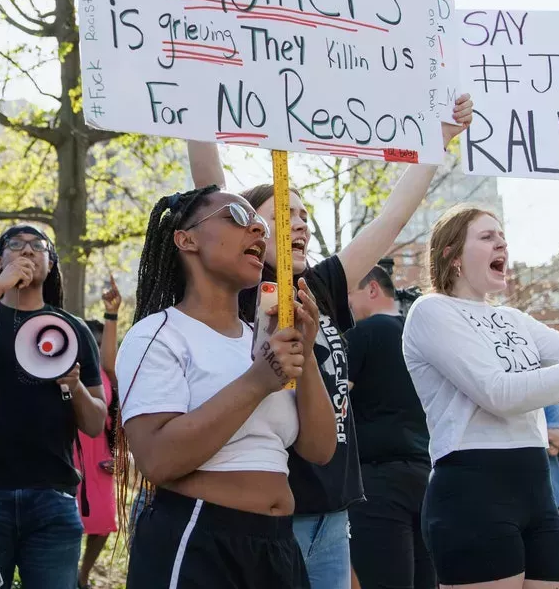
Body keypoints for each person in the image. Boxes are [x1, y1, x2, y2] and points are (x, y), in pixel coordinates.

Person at [187, 95, 474, 589]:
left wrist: (439, 139)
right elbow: (209, 187)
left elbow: (391, 221)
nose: (298, 221)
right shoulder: (237, 290)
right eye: (283, 213)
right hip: (274, 514)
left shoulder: (318, 287)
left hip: (334, 514)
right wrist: (194, 99)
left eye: (303, 213)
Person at [403, 205, 559, 589]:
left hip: (535, 488)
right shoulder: (431, 311)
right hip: (474, 489)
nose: (502, 243)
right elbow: (498, 393)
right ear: (451, 254)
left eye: (502, 236)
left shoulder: (513, 318)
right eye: (486, 237)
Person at [115, 186, 337, 587]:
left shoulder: (263, 340)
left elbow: (320, 450)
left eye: (260, 224)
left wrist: (304, 351)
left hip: (279, 547)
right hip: (198, 538)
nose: (257, 228)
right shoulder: (157, 335)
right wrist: (257, 381)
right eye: (236, 216)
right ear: (187, 240)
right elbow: (157, 460)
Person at [0, 225, 109, 589]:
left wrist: (74, 385)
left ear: (51, 264)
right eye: (15, 245)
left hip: (52, 495)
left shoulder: (72, 329)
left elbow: (96, 423)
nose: (28, 251)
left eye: (39, 246)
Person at [343, 265, 434, 589]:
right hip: (427, 477)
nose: (346, 305)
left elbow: (335, 400)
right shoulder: (424, 339)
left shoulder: (363, 334)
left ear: (372, 289)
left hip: (377, 483)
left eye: (349, 294)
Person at [74, 275, 123, 589]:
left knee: (102, 522)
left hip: (100, 458)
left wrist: (112, 314)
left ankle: (82, 573)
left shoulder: (108, 377)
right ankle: (63, 570)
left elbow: (108, 358)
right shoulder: (65, 373)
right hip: (69, 455)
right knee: (66, 522)